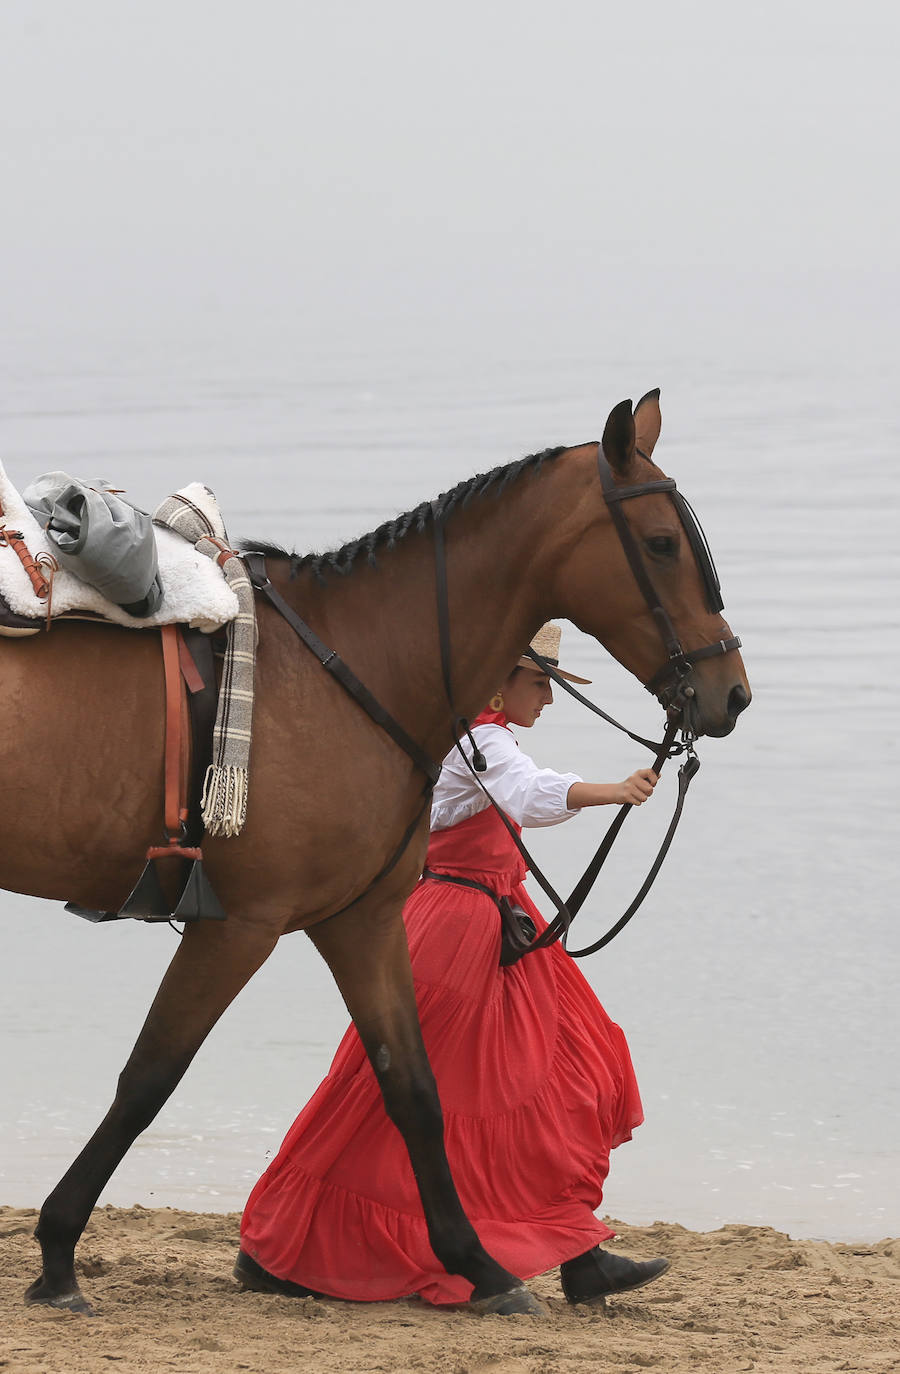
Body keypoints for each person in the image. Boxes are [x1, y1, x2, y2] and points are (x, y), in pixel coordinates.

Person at [236, 623, 668, 1307]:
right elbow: (528, 795)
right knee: (425, 1094)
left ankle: (578, 1251)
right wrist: (612, 791)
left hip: (500, 926)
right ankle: (288, 1241)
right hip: (455, 935)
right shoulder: (480, 740)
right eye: (540, 683)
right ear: (499, 680)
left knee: (572, 1070)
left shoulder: (475, 738)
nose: (549, 699)